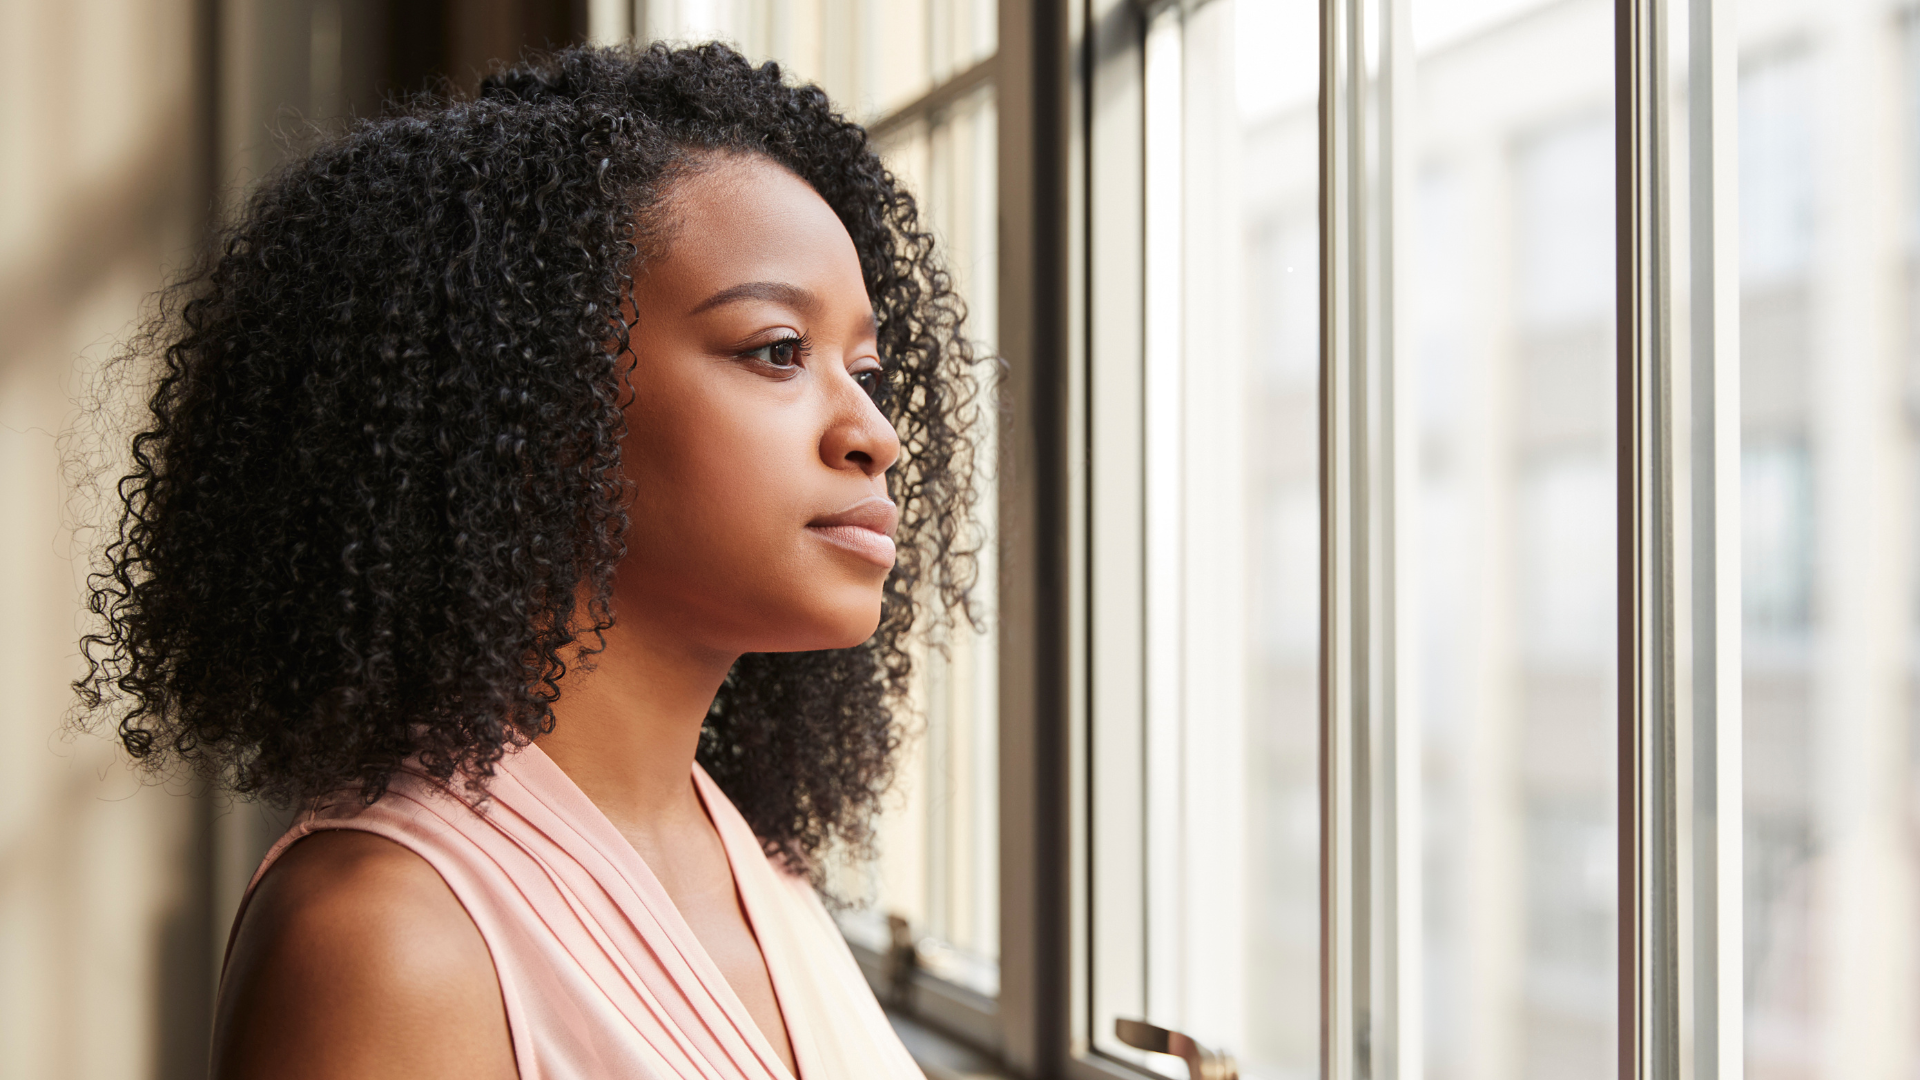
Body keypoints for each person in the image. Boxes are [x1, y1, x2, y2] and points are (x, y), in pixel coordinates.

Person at [76, 41, 987, 1079]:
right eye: (777, 350)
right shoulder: (391, 942)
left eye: (864, 368)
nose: (876, 432)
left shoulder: (746, 857)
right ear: (533, 407)